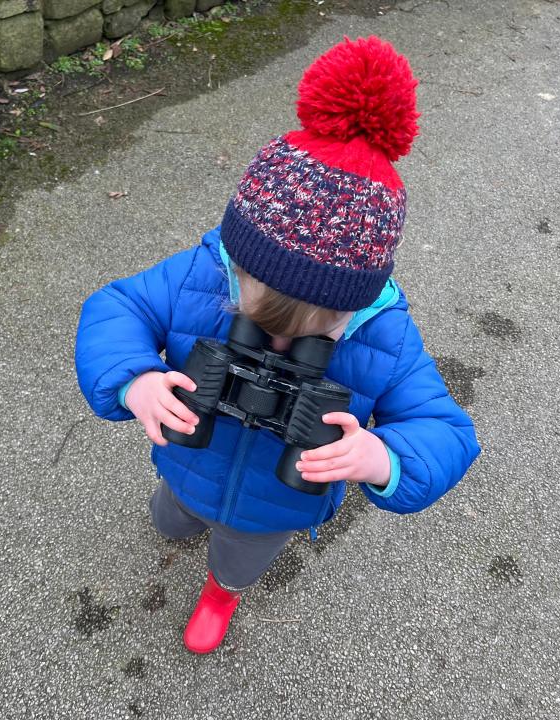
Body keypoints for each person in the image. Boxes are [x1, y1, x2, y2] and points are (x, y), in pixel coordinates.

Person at [75, 36, 481, 654]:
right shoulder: (201, 273)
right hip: (188, 461)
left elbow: (447, 432)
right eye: (258, 318)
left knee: (240, 556)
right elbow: (116, 308)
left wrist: (383, 458)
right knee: (173, 513)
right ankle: (183, 520)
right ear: (235, 266)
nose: (281, 342)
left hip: (274, 508)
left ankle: (222, 591)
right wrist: (133, 380)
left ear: (358, 303)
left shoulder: (384, 332)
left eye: (314, 333)